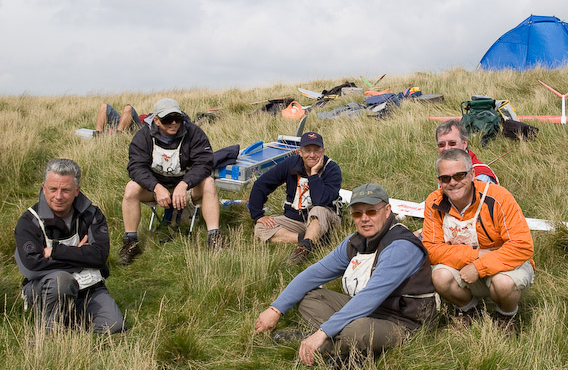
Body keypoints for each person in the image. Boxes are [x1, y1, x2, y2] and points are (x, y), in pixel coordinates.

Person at [255, 183, 437, 366]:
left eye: (371, 212)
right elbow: (314, 273)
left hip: (403, 322)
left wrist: (322, 332)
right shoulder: (355, 241)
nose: (364, 219)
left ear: (387, 211)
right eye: (358, 213)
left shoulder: (400, 246)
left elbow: (370, 297)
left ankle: (324, 346)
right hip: (370, 311)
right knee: (308, 298)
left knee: (356, 330)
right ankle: (348, 347)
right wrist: (276, 309)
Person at [422, 149, 534, 329]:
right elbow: (431, 249)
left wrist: (478, 267)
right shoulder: (433, 203)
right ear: (439, 181)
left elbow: (522, 246)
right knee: (439, 276)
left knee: (504, 284)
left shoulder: (499, 197)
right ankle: (469, 311)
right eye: (445, 178)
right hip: (464, 266)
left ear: (472, 174)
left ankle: (506, 316)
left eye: (459, 175)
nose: (453, 183)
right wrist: (476, 255)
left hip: (503, 265)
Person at [14, 159, 124, 333]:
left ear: (76, 191)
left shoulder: (92, 214)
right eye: (53, 189)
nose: (58, 196)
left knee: (114, 326)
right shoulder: (29, 221)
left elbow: (100, 256)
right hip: (44, 289)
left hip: (89, 287)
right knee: (62, 281)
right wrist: (81, 254)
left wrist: (56, 252)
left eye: (65, 190)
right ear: (44, 188)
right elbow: (32, 267)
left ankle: (68, 323)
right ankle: (48, 331)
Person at [119, 98, 223, 265]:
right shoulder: (143, 136)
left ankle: (214, 238)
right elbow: (135, 167)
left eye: (178, 118)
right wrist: (156, 187)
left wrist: (184, 184)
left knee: (209, 183)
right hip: (156, 190)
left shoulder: (194, 133)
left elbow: (204, 163)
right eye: (168, 119)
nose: (174, 123)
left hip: (187, 189)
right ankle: (130, 243)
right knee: (131, 188)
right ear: (156, 120)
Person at [248, 132, 342, 264]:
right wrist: (258, 215)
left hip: (324, 218)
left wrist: (314, 174)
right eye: (307, 151)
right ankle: (307, 239)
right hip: (295, 219)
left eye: (317, 151)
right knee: (260, 228)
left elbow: (320, 201)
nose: (312, 155)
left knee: (317, 210)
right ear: (300, 152)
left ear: (323, 151)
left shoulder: (332, 169)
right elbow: (261, 184)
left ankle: (303, 248)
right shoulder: (291, 164)